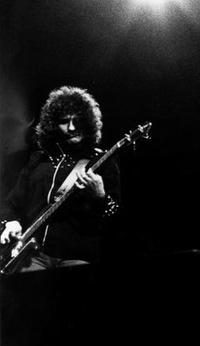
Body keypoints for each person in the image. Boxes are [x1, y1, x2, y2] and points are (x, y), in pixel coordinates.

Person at [0, 86, 120, 272]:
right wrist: (10, 221)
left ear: (88, 122)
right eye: (64, 122)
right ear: (53, 125)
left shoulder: (101, 162)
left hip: (78, 258)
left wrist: (100, 196)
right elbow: (12, 204)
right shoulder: (38, 160)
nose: (72, 127)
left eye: (77, 120)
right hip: (32, 256)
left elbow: (115, 221)